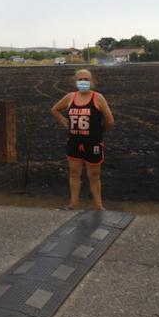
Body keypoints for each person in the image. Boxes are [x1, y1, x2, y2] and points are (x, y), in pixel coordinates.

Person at [49, 68, 115, 211]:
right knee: (74, 173)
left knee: (94, 175)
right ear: (75, 81)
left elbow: (110, 121)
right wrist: (65, 123)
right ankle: (73, 204)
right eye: (80, 79)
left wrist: (98, 131)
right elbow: (54, 109)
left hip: (93, 144)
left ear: (92, 82)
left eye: (86, 79)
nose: (83, 82)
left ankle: (99, 206)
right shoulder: (70, 97)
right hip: (74, 142)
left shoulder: (98, 98)